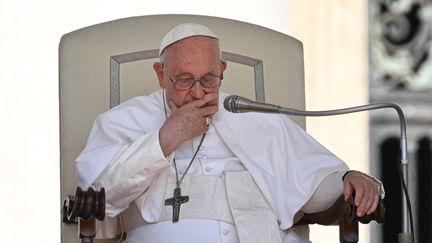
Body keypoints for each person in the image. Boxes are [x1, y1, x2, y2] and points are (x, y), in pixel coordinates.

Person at [76, 23, 384, 243]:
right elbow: (99, 195)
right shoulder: (122, 120)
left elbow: (314, 183)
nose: (198, 93)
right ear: (161, 75)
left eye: (209, 79)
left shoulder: (256, 117)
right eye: (183, 80)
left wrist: (348, 180)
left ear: (222, 70)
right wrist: (165, 138)